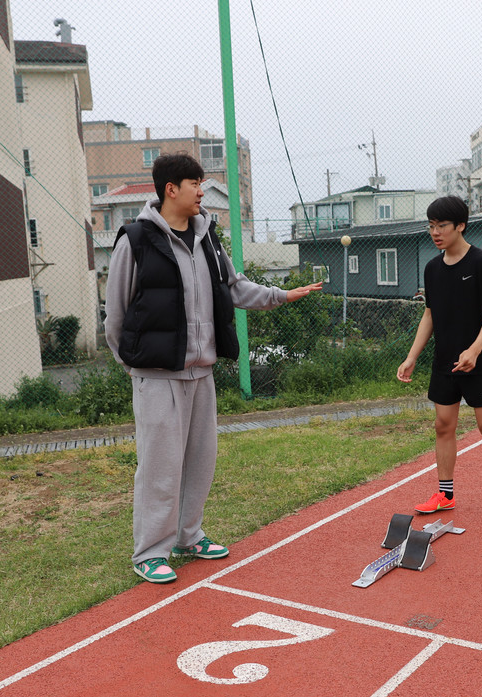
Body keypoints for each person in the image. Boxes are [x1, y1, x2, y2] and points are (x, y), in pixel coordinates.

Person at [105, 153, 321, 584]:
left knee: (199, 461)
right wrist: (132, 365)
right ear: (172, 189)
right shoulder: (136, 240)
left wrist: (281, 295)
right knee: (159, 465)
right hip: (157, 376)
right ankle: (150, 551)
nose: (202, 191)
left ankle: (189, 536)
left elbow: (235, 287)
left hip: (201, 374)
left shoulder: (207, 238)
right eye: (195, 183)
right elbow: (115, 312)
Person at [397, 195, 482, 520]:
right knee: (443, 425)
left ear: (460, 226)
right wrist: (412, 356)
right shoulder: (432, 268)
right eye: (431, 226)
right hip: (444, 362)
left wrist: (475, 350)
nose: (435, 232)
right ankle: (445, 494)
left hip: (480, 362)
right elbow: (429, 315)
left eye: (441, 226)